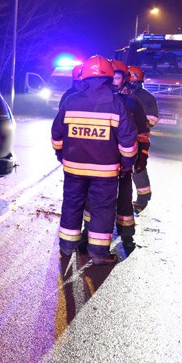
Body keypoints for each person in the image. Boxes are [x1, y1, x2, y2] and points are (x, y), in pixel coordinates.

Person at [51, 55, 138, 265]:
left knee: (72, 204)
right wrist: (127, 164)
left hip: (73, 168)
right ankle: (98, 254)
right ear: (109, 77)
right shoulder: (117, 104)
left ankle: (66, 247)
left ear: (84, 77)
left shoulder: (71, 101)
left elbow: (56, 134)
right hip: (105, 171)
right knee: (102, 209)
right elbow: (128, 141)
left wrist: (60, 154)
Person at [110, 60, 150, 254]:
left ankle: (126, 236)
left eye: (117, 76)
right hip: (105, 161)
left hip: (125, 162)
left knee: (124, 200)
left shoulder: (132, 102)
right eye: (111, 76)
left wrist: (141, 158)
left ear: (125, 79)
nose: (113, 80)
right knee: (94, 201)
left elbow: (142, 133)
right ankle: (90, 236)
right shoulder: (101, 100)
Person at [128, 65, 159, 212]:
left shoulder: (146, 97)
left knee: (138, 168)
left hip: (139, 139)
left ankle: (143, 198)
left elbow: (152, 119)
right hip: (126, 138)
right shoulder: (125, 94)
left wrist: (136, 122)